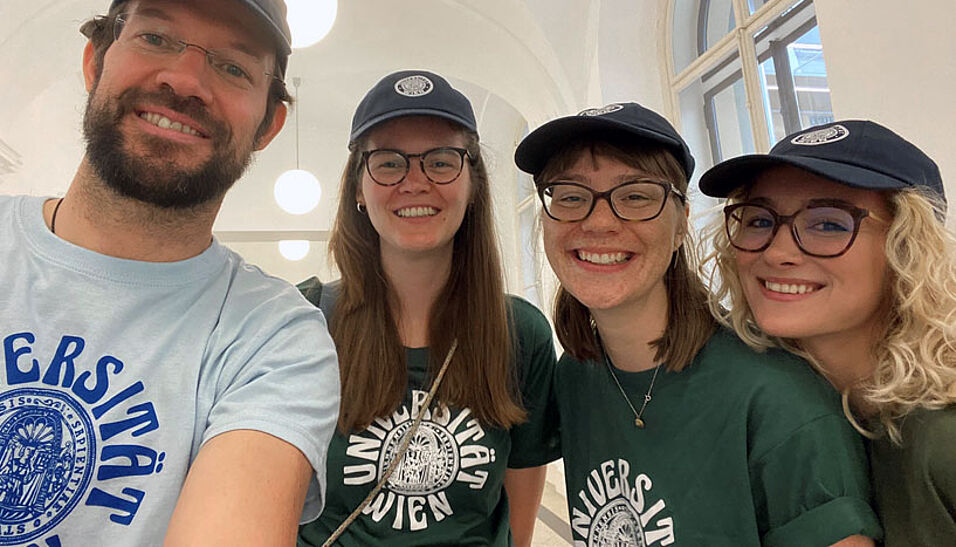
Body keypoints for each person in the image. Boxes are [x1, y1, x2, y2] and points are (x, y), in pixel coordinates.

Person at [0, 0, 340, 545]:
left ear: (267, 126)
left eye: (233, 67)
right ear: (96, 60)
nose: (185, 82)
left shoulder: (275, 339)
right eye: (156, 37)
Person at [514, 103, 882, 546]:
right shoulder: (576, 377)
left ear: (682, 222)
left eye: (635, 195)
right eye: (570, 196)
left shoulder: (777, 401)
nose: (598, 222)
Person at [296, 70, 559, 546]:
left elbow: (517, 528)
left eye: (441, 161)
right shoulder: (303, 321)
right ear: (358, 187)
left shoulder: (520, 335)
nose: (415, 182)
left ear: (473, 183)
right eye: (389, 162)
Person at [700, 120, 956, 546]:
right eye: (760, 220)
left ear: (907, 249)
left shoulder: (942, 440)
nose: (778, 252)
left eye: (829, 224)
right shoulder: (782, 409)